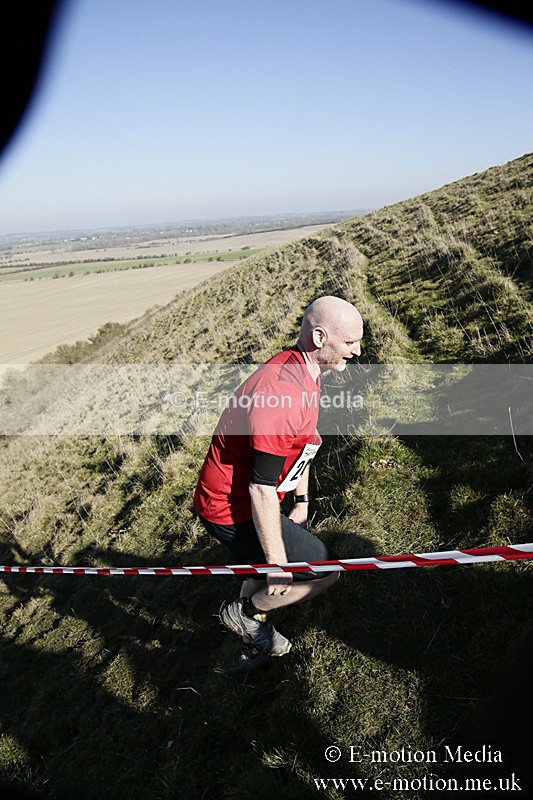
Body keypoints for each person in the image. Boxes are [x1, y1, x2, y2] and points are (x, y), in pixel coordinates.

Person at [193, 295, 364, 671]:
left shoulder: (303, 369)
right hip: (229, 507)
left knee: (258, 567)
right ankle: (246, 615)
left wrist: (301, 500)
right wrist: (277, 563)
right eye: (350, 342)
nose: (357, 350)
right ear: (320, 337)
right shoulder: (282, 395)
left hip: (242, 498)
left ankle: (254, 639)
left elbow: (301, 444)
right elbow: (260, 488)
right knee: (323, 572)